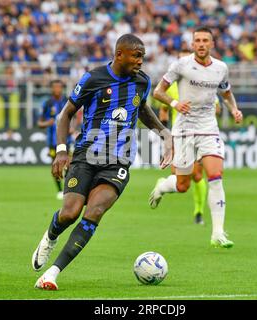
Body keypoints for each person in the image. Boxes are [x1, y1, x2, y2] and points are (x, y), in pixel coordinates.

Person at [31, 34, 172, 290]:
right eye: (136, 56)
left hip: (118, 162)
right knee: (69, 213)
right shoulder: (93, 79)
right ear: (119, 54)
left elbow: (141, 109)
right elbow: (66, 114)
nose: (141, 61)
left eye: (143, 56)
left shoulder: (142, 82)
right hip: (86, 156)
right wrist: (62, 151)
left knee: (94, 212)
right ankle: (51, 235)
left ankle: (51, 273)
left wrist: (165, 133)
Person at [148, 27, 243, 249]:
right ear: (192, 44)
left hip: (209, 128)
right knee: (182, 186)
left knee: (215, 175)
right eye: (197, 40)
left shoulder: (221, 68)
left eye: (205, 40)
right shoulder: (181, 65)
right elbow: (158, 92)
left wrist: (234, 109)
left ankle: (218, 233)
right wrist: (174, 104)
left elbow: (226, 93)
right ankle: (163, 186)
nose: (201, 44)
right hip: (184, 130)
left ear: (211, 44)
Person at [157, 48, 222, 225]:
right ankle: (162, 186)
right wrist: (166, 136)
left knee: (198, 175)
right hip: (180, 136)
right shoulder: (170, 88)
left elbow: (217, 107)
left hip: (201, 134)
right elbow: (163, 112)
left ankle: (199, 212)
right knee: (181, 181)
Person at [37, 79, 68, 200]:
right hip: (52, 141)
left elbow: (75, 117)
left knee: (70, 165)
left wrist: (72, 127)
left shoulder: (67, 101)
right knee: (56, 165)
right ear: (51, 89)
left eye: (59, 87)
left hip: (67, 140)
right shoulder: (47, 103)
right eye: (55, 87)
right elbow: (39, 123)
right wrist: (47, 123)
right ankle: (60, 190)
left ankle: (68, 189)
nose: (57, 90)